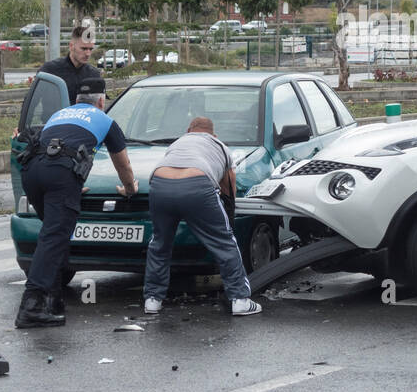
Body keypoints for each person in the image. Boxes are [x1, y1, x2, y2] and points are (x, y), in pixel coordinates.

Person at [15, 77, 138, 328]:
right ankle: (31, 306)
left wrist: (70, 185)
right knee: (53, 238)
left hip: (31, 171)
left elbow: (56, 146)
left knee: (54, 237)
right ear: (101, 101)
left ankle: (53, 300)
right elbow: (122, 163)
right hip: (59, 175)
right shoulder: (105, 120)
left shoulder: (60, 114)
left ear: (76, 101)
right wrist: (129, 188)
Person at [142, 117, 261, 317]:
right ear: (213, 134)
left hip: (159, 184)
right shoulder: (219, 145)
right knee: (225, 242)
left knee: (160, 243)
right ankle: (240, 299)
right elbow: (229, 186)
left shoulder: (178, 142)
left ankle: (153, 300)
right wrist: (228, 214)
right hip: (197, 185)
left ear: (188, 130)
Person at [39, 23, 102, 104]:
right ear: (71, 46)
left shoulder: (94, 75)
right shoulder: (50, 70)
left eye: (90, 49)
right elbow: (33, 101)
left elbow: (98, 108)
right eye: (84, 48)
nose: (88, 54)